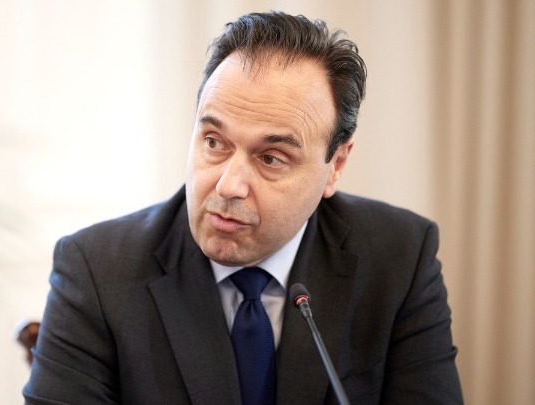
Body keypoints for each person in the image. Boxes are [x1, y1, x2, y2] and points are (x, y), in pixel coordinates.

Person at [23, 11, 463, 405]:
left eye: (271, 158)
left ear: (336, 166)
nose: (228, 185)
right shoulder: (96, 270)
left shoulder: (399, 257)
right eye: (214, 142)